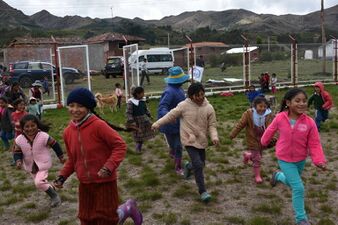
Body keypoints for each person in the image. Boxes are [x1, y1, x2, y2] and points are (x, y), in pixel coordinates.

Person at [53, 87, 142, 225]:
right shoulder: (67, 132)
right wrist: (62, 176)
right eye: (71, 105)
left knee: (107, 219)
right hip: (85, 184)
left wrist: (109, 167)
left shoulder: (99, 126)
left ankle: (127, 209)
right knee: (86, 218)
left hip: (105, 182)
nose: (75, 109)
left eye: (80, 106)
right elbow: (72, 159)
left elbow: (120, 146)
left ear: (88, 108)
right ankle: (126, 208)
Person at [261, 88, 327, 225]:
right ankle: (301, 219)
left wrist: (319, 160)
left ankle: (278, 176)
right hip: (284, 159)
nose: (302, 103)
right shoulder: (280, 118)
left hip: (300, 159)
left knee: (292, 183)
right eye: (297, 101)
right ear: (288, 103)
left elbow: (315, 143)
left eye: (304, 101)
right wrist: (264, 141)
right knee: (298, 187)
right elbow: (270, 130)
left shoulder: (309, 122)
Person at [152, 83, 219, 202]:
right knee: (198, 164)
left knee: (201, 164)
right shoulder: (183, 106)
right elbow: (170, 115)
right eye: (197, 95)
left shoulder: (209, 108)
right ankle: (202, 191)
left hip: (202, 140)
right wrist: (157, 123)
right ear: (191, 96)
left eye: (202, 94)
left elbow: (212, 125)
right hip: (189, 139)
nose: (200, 97)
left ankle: (188, 166)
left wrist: (214, 137)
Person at [13, 114, 65, 207]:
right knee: (41, 183)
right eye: (27, 126)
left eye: (33, 125)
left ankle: (55, 197)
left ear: (37, 125)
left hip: (43, 163)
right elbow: (17, 152)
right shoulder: (19, 139)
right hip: (30, 166)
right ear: (22, 128)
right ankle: (51, 187)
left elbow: (55, 144)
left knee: (39, 182)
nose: (30, 128)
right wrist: (18, 161)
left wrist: (60, 156)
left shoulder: (43, 136)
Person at [230, 96, 274, 184]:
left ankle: (247, 155)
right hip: (252, 138)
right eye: (260, 106)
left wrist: (273, 138)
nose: (262, 109)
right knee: (257, 158)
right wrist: (233, 134)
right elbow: (240, 124)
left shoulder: (269, 115)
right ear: (255, 106)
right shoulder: (248, 114)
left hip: (263, 139)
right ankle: (257, 175)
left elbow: (272, 127)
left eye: (264, 107)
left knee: (258, 156)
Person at [157, 66, 190, 175]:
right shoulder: (169, 92)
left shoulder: (179, 89)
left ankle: (176, 161)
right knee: (176, 146)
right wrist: (169, 116)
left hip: (179, 123)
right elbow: (162, 107)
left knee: (178, 146)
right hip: (169, 124)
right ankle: (176, 161)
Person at [126, 86, 154, 153]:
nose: (143, 94)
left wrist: (149, 115)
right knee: (139, 134)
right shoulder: (131, 102)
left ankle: (140, 145)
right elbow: (128, 113)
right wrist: (131, 121)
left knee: (146, 130)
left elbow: (145, 109)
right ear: (137, 94)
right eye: (142, 93)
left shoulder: (142, 101)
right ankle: (138, 147)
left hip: (144, 120)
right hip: (136, 121)